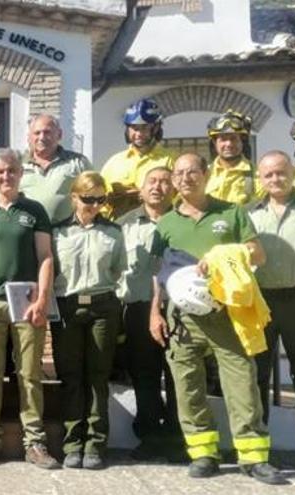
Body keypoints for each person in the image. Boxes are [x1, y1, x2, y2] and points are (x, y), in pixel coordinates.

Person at [149, 153, 286, 485]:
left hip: (226, 314)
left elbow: (257, 253)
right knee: (187, 385)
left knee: (242, 382)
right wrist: (155, 311)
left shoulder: (231, 213)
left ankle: (253, 457)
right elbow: (158, 273)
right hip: (182, 318)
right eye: (179, 174)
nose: (185, 179)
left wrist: (222, 256)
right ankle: (203, 453)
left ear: (205, 174)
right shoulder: (166, 222)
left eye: (191, 172)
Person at [0, 148, 58, 469]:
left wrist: (42, 299)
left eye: (11, 171)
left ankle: (34, 442)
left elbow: (46, 257)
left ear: (21, 174)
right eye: (0, 172)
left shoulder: (34, 211)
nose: (6, 177)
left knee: (30, 374)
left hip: (27, 300)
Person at [52, 171, 126, 470]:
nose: (93, 206)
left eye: (99, 199)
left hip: (102, 306)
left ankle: (95, 444)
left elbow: (118, 270)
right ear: (74, 198)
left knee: (97, 377)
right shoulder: (58, 232)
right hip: (68, 306)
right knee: (71, 377)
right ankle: (72, 443)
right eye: (87, 199)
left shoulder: (113, 232)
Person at [249, 150, 295, 471]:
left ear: (293, 173)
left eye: (281, 172)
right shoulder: (248, 214)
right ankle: (259, 455)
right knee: (256, 378)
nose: (276, 179)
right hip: (260, 304)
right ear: (259, 179)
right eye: (269, 175)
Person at [115, 166, 182, 460]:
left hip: (178, 308)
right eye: (152, 182)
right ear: (141, 189)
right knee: (145, 375)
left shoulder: (185, 222)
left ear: (174, 188)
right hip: (138, 307)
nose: (158, 187)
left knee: (179, 374)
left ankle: (178, 436)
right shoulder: (123, 224)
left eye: (165, 182)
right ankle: (151, 435)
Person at [101, 98, 176, 219]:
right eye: (135, 128)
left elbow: (181, 198)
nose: (139, 134)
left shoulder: (172, 159)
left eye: (145, 128)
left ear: (156, 128)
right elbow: (101, 202)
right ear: (127, 129)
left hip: (159, 228)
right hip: (120, 229)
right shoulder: (114, 162)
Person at [19, 114, 92, 223]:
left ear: (59, 135)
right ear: (29, 137)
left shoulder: (78, 162)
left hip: (67, 234)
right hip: (29, 234)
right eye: (37, 133)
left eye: (47, 132)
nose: (42, 137)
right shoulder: (17, 164)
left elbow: (94, 195)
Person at [204, 109, 261, 204]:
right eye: (223, 139)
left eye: (233, 138)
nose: (229, 144)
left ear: (242, 141)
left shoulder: (258, 175)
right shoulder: (204, 174)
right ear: (214, 142)